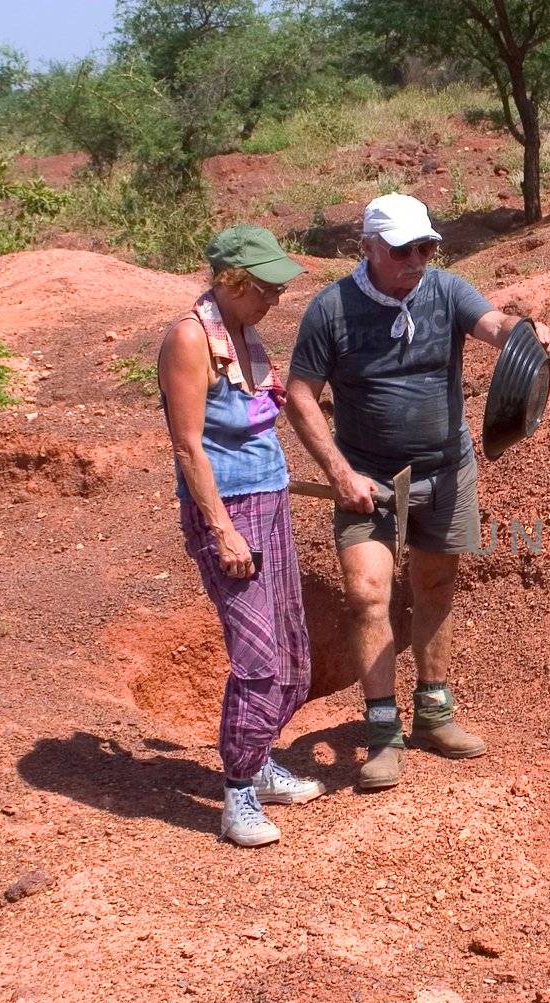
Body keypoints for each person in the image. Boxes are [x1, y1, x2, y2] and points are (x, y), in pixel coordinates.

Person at [284, 194, 550, 791]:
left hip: (448, 468)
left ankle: (433, 714)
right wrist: (339, 474)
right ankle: (383, 733)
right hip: (368, 481)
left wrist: (524, 334)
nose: (417, 259)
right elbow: (299, 393)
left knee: (435, 585)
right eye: (404, 250)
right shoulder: (331, 310)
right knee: (365, 596)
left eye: (426, 247)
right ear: (370, 249)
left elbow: (493, 326)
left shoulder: (447, 290)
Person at [158, 224, 324, 846]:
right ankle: (237, 795)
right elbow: (187, 445)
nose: (275, 299)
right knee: (257, 656)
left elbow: (256, 419)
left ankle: (258, 759)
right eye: (264, 288)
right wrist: (223, 531)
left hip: (270, 500)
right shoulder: (189, 340)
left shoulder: (245, 338)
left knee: (291, 648)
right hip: (227, 511)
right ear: (232, 282)